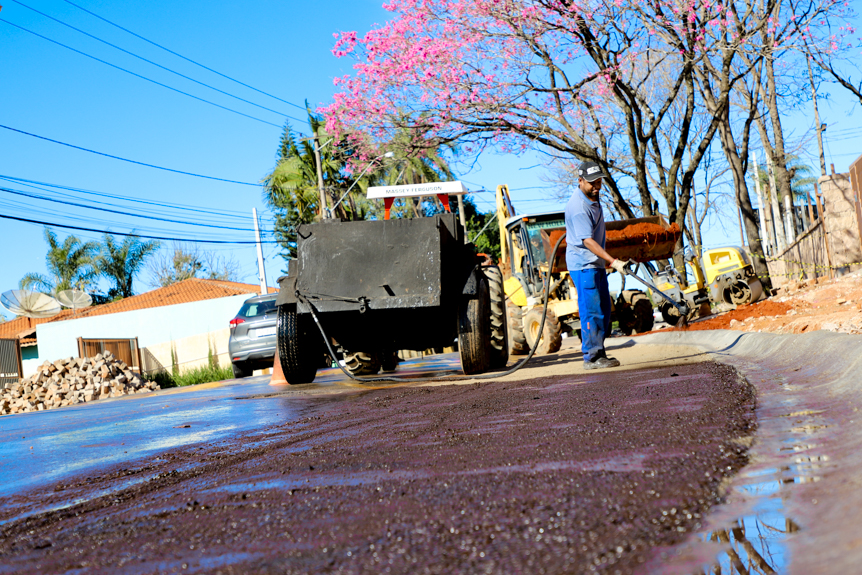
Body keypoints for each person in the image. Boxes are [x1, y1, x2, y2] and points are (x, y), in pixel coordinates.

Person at [564, 160, 629, 370]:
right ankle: (591, 358)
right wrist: (613, 261)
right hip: (584, 266)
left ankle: (599, 352)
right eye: (592, 183)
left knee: (603, 310)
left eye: (599, 181)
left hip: (595, 263)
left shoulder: (593, 196)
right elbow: (588, 241)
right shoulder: (579, 208)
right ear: (580, 181)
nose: (597, 186)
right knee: (591, 310)